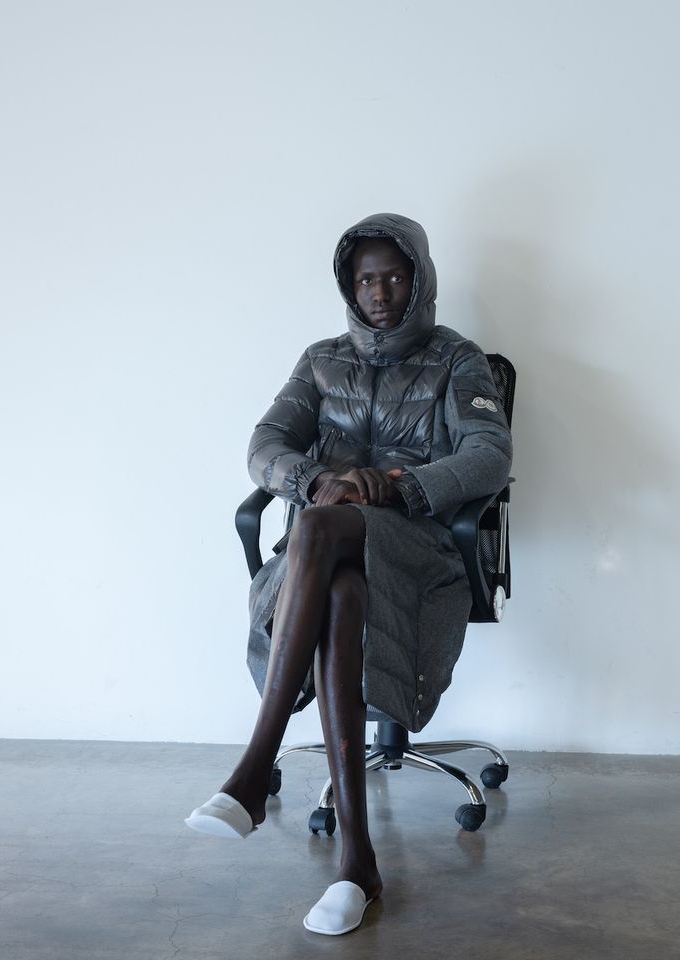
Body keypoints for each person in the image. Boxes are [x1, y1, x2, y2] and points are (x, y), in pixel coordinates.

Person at [185, 212, 512, 936]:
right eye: (366, 278)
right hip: (327, 558)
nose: (380, 291)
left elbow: (491, 455)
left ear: (420, 279)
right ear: (348, 285)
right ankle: (357, 864)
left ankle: (254, 765)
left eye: (394, 276)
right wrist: (312, 477)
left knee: (319, 528)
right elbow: (264, 444)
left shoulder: (459, 361)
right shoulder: (321, 360)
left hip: (418, 544)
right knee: (337, 580)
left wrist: (397, 487)